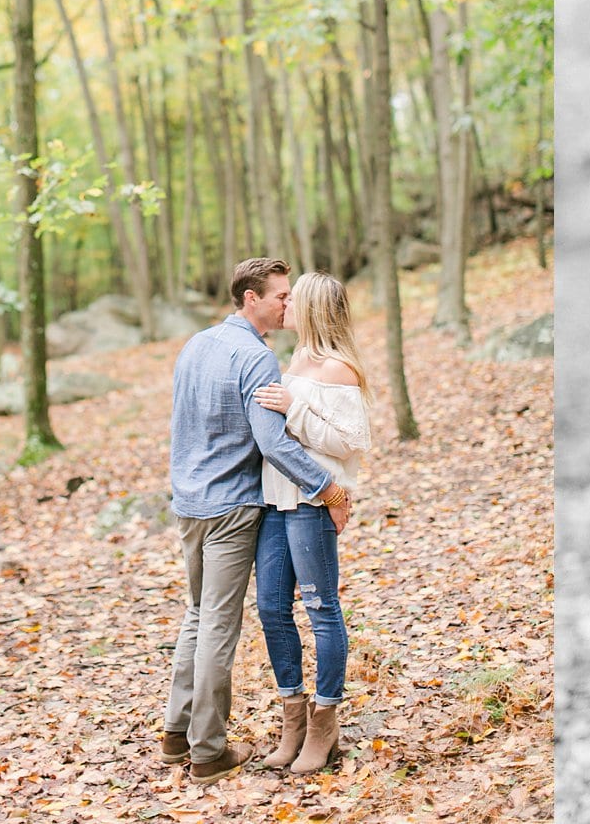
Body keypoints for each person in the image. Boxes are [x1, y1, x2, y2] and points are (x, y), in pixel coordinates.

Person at [161, 257, 352, 785]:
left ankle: (176, 733)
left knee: (199, 615)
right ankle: (207, 751)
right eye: (281, 296)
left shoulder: (195, 344)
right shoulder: (257, 357)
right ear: (251, 298)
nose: (289, 304)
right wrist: (328, 487)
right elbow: (271, 442)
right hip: (230, 506)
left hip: (189, 502)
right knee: (218, 623)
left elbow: (180, 421)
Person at [249, 271, 373, 775]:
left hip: (314, 502)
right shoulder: (294, 359)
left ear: (316, 308)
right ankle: (292, 718)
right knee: (271, 607)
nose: (286, 305)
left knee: (321, 607)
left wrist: (294, 406)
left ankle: (325, 722)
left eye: (294, 299)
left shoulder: (340, 369)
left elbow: (351, 441)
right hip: (275, 501)